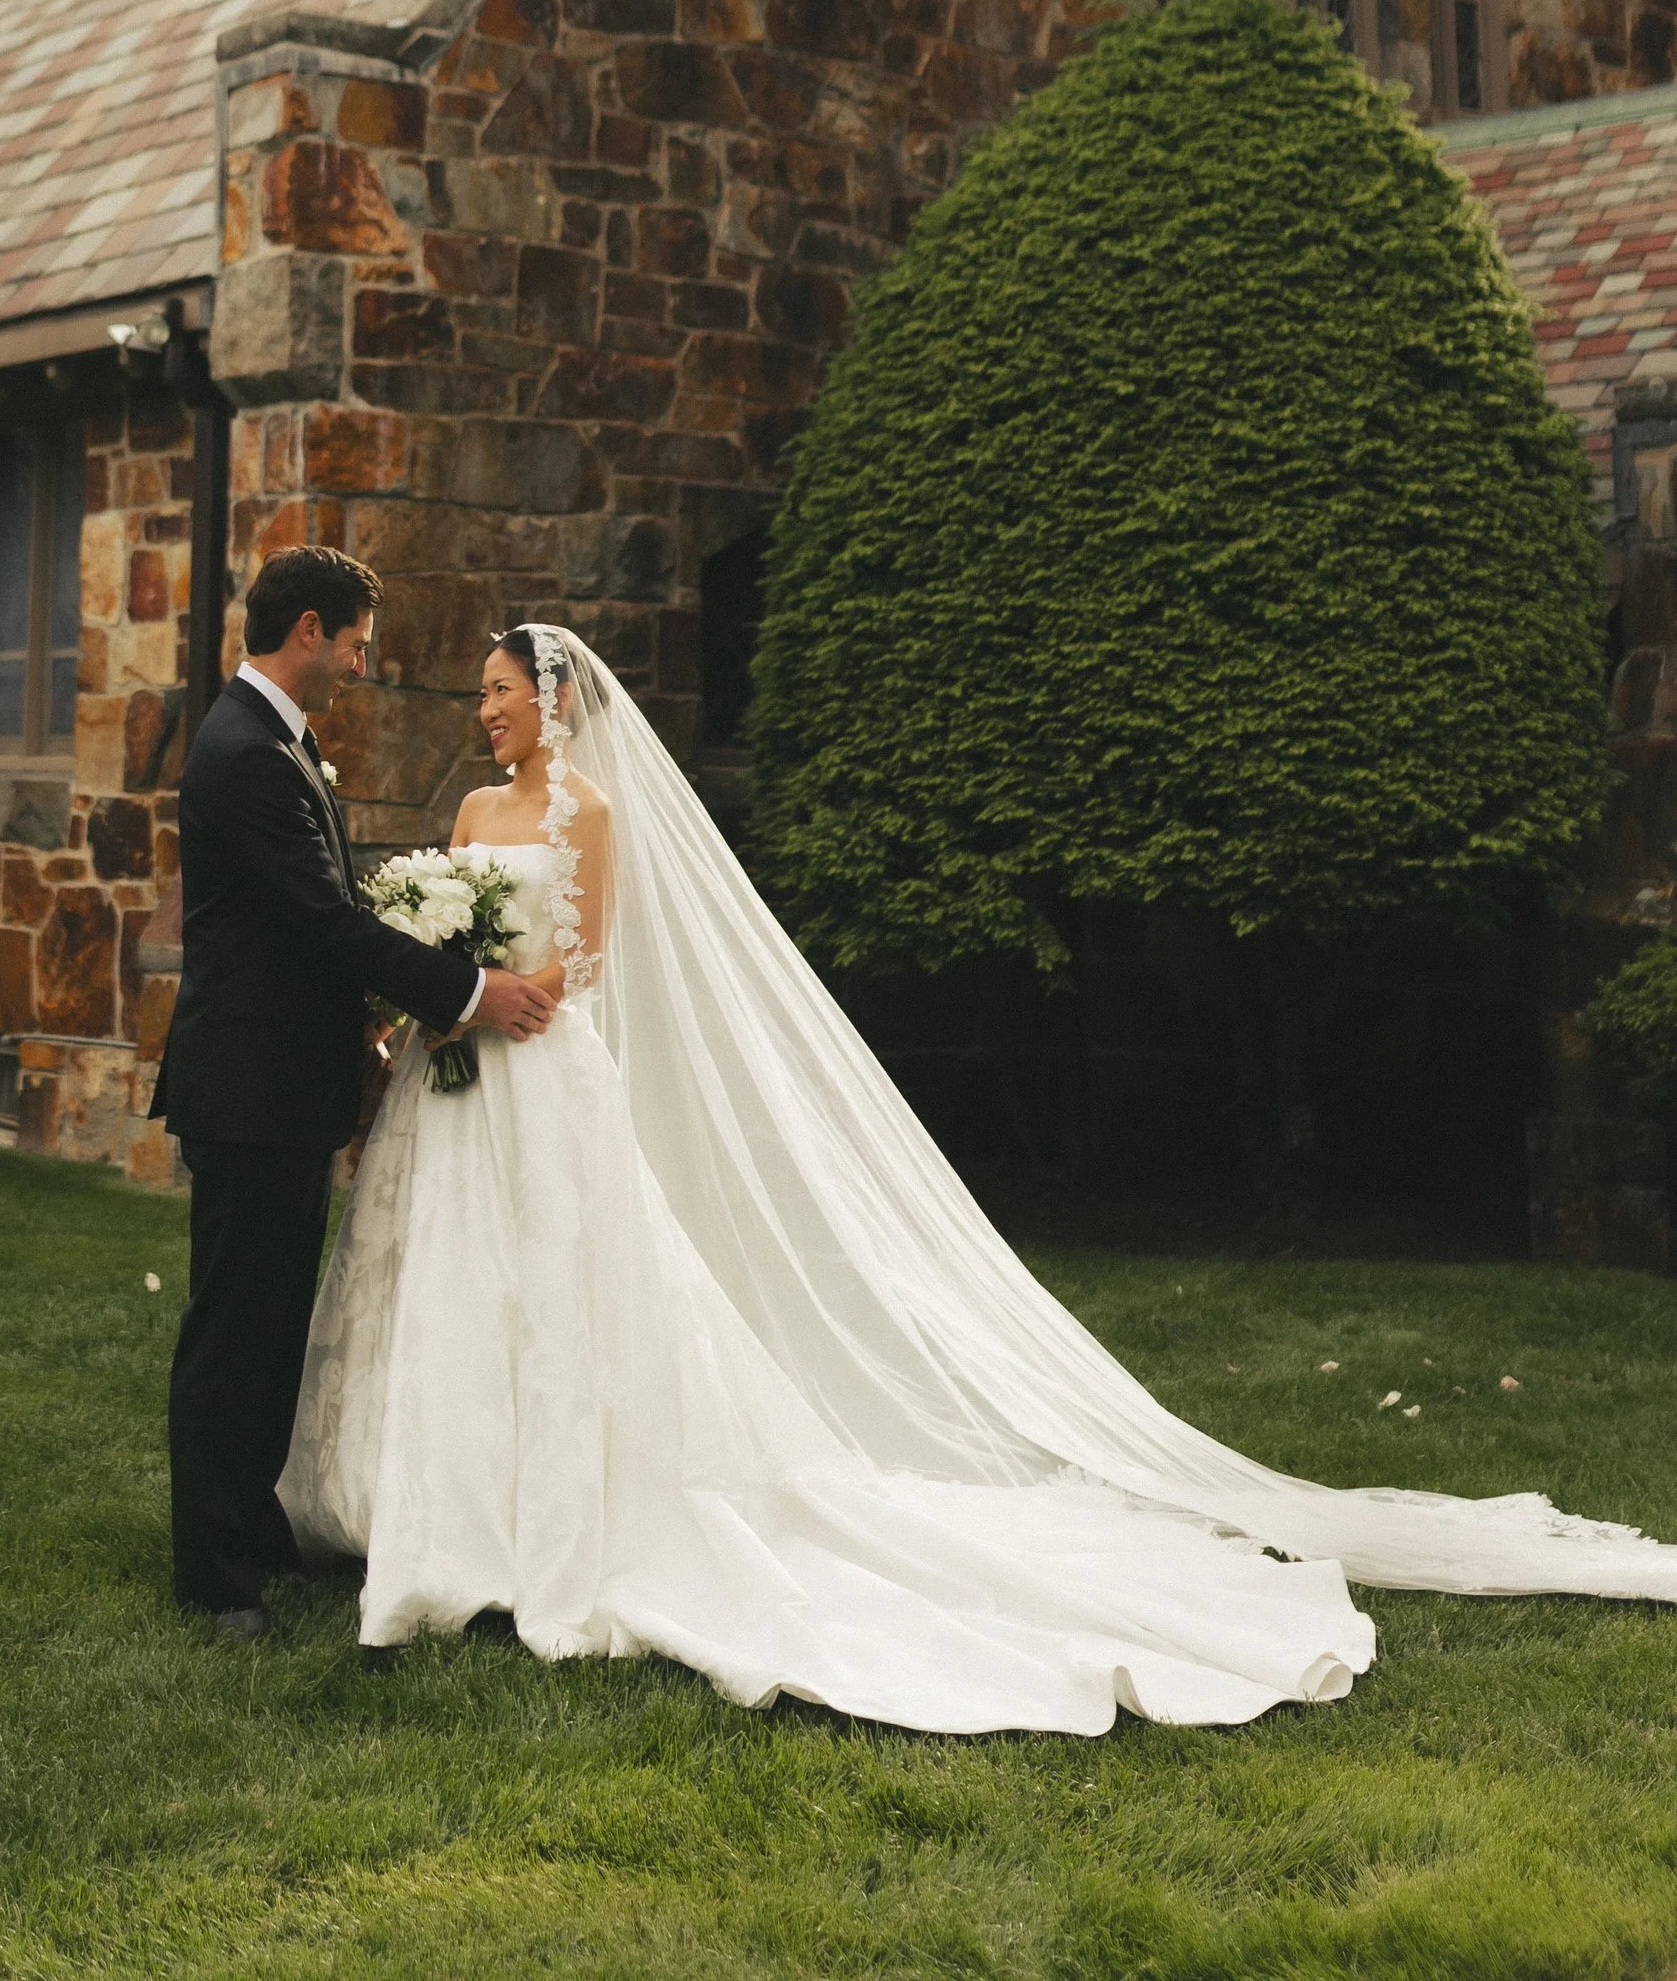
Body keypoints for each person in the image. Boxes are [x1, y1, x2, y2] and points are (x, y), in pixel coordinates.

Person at [280, 620, 1677, 1732]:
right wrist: (436, 993)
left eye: (501, 688)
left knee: (568, 1296)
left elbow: (587, 961)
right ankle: (441, 1507)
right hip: (461, 1073)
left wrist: (506, 989)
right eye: (480, 691)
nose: (485, 708)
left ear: (556, 697)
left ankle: (558, 1521)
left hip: (548, 1065)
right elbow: (446, 930)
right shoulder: (465, 803)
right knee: (460, 1289)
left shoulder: (587, 808)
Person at [153, 545, 555, 1635]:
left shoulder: (278, 744)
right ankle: (213, 1577)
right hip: (247, 1088)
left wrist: (365, 1032)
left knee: (277, 1320)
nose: (363, 665)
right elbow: (323, 924)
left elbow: (304, 933)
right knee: (235, 1329)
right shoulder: (243, 753)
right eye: (357, 643)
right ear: (310, 634)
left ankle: (247, 1524)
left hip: (285, 1078)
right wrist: (471, 989)